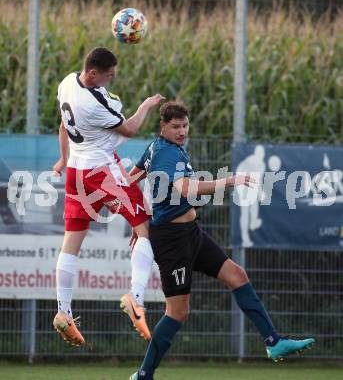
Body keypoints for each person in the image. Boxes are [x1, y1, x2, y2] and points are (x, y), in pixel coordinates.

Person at [127, 101, 315, 379]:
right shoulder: (167, 153)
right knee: (178, 312)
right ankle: (144, 375)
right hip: (172, 241)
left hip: (192, 234)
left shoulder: (158, 147)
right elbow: (188, 190)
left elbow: (132, 179)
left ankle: (273, 342)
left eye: (185, 126)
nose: (182, 131)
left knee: (237, 275)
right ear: (163, 126)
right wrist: (228, 181)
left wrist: (137, 217)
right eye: (176, 126)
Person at [52, 47, 164, 345]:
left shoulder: (66, 83)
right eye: (108, 76)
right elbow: (128, 129)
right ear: (92, 74)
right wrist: (146, 106)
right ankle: (135, 298)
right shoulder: (95, 102)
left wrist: (62, 159)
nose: (110, 81)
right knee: (146, 229)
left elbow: (63, 125)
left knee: (70, 244)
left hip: (76, 173)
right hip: (102, 171)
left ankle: (63, 311)